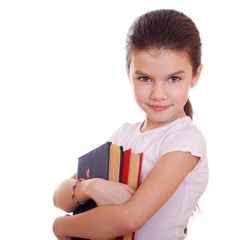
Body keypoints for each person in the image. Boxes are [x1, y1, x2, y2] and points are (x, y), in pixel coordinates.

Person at [52, 9, 208, 240]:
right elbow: (60, 197)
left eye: (174, 78)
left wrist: (60, 227)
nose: (158, 94)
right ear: (129, 74)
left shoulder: (185, 139)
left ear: (195, 75)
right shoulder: (123, 135)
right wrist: (90, 187)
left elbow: (130, 219)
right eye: (144, 78)